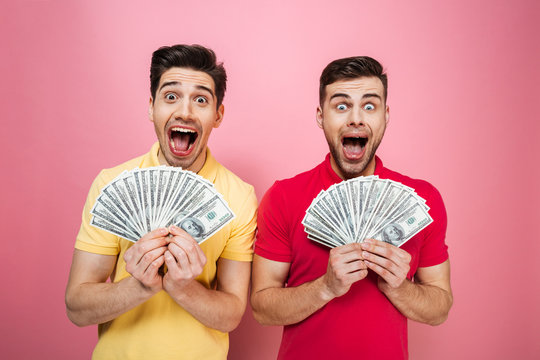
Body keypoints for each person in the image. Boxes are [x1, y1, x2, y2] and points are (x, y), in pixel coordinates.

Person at [251, 56, 453, 359]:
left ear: (385, 115)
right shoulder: (283, 197)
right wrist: (326, 287)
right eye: (342, 106)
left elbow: (439, 309)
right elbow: (262, 308)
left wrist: (399, 287)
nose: (356, 119)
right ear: (321, 115)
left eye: (369, 106)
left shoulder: (423, 199)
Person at [65, 44, 258, 360]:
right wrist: (140, 286)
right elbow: (77, 307)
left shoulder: (239, 196)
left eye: (201, 100)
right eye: (171, 97)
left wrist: (183, 286)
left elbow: (231, 314)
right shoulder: (112, 184)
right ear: (151, 106)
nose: (184, 112)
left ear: (218, 114)